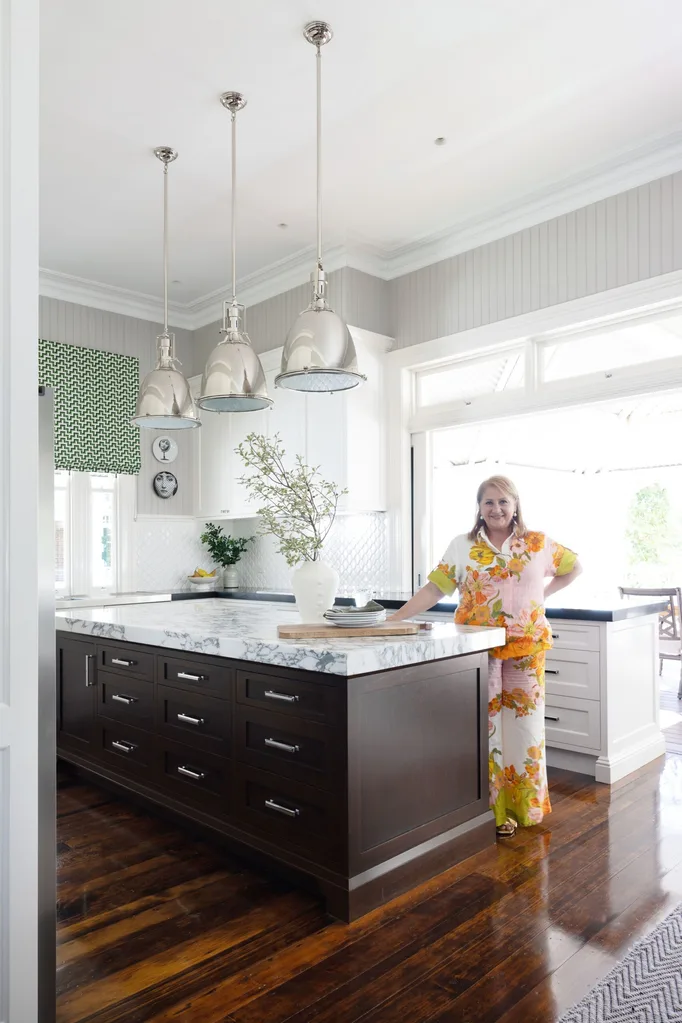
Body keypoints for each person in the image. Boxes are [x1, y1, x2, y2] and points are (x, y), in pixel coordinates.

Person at [388, 475, 582, 838]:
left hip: (527, 648)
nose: (496, 509)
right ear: (479, 507)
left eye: (503, 502)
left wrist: (541, 596)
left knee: (523, 728)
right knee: (483, 728)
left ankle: (523, 805)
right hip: (477, 649)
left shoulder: (537, 543)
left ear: (515, 506)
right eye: (489, 502)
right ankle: (489, 811)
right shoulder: (462, 546)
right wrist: (397, 618)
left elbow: (574, 568)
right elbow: (435, 587)